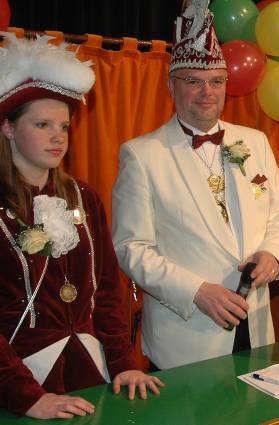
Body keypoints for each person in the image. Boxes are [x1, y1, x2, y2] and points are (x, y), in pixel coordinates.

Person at [111, 1, 279, 370]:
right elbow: (131, 248)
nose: (206, 92)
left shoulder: (255, 142)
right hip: (188, 337)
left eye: (215, 81)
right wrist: (196, 291)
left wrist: (273, 253)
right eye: (192, 81)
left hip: (256, 328)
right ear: (171, 86)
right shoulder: (142, 155)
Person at [0, 33, 162, 419]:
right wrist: (27, 396)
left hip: (89, 369)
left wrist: (123, 363)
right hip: (19, 380)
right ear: (8, 128)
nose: (58, 136)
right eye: (42, 124)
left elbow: (106, 289)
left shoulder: (83, 197)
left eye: (64, 126)